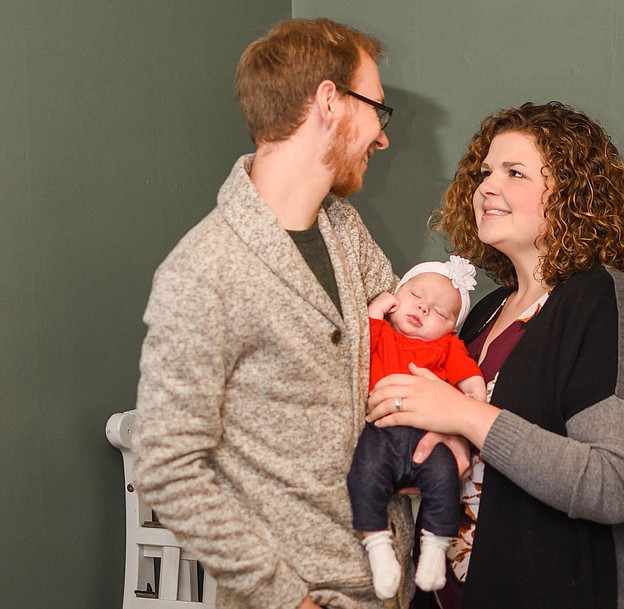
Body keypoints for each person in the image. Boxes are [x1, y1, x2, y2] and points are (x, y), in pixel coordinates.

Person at [133, 18, 463, 609]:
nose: (382, 139)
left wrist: (448, 428)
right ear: (330, 103)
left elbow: (410, 355)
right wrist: (287, 598)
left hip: (389, 586)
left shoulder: (344, 230)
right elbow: (167, 467)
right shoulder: (204, 271)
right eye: (376, 111)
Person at [367, 101, 624, 609]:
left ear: (574, 195)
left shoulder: (606, 303)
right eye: (485, 172)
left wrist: (465, 414)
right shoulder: (485, 312)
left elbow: (612, 484)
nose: (487, 187)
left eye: (515, 173)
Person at [347, 256, 485, 601]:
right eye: (415, 295)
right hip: (380, 430)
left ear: (452, 328)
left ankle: (434, 550)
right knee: (362, 476)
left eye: (440, 313)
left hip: (428, 434)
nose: (423, 309)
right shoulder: (383, 333)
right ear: (396, 295)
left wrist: (473, 393)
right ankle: (378, 548)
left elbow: (467, 374)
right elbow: (360, 337)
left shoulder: (447, 346)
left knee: (444, 482)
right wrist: (377, 307)